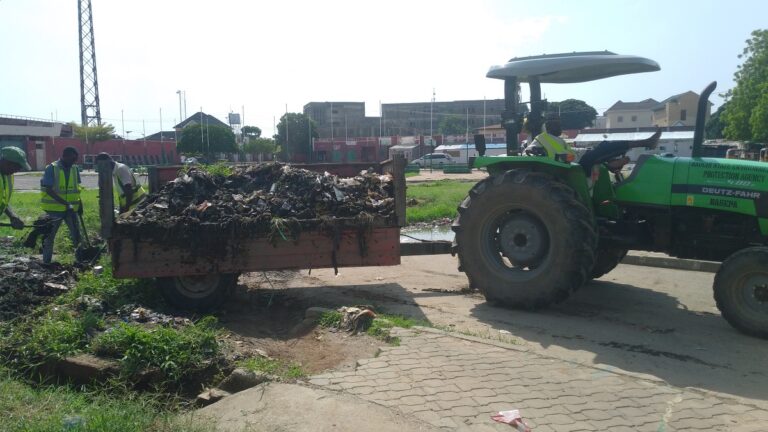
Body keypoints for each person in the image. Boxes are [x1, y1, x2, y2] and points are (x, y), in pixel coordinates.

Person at [40, 146, 82, 264]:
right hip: (54, 210)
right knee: (49, 237)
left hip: (71, 209)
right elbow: (48, 190)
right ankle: (46, 262)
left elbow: (77, 188)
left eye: (75, 160)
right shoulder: (52, 168)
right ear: (64, 156)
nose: (73, 162)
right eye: (72, 159)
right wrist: (65, 203)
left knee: (77, 235)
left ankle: (80, 260)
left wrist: (79, 203)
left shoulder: (75, 168)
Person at [0, 146, 31, 230]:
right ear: (7, 162)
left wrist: (12, 216)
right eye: (18, 166)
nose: (18, 170)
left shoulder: (8, 176)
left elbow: (3, 201)